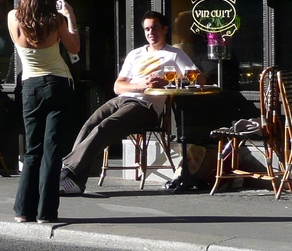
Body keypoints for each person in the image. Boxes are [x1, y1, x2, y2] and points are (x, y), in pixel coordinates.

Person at [57, 11, 202, 196]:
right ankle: (75, 182)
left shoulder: (174, 54)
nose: (151, 32)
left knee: (105, 127)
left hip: (146, 107)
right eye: (147, 29)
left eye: (155, 28)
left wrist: (167, 82)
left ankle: (65, 169)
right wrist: (139, 86)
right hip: (123, 99)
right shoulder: (135, 54)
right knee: (90, 125)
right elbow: (118, 86)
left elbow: (199, 79)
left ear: (165, 29)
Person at [9, 0, 80, 224]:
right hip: (58, 84)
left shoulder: (12, 18)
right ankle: (46, 212)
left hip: (30, 86)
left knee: (32, 150)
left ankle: (22, 210)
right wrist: (70, 16)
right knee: (52, 152)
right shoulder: (55, 20)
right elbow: (74, 48)